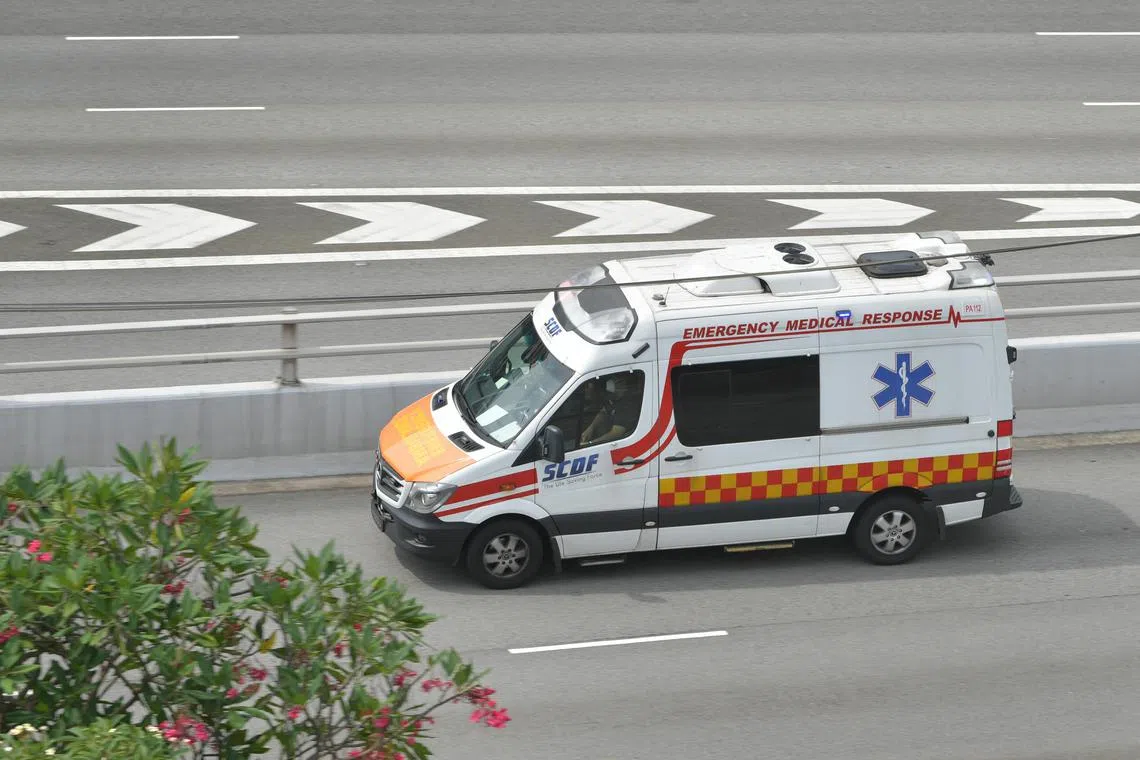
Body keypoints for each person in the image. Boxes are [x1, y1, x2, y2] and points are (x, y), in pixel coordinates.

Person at [580, 373, 641, 447]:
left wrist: (591, 444)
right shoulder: (612, 399)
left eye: (619, 382)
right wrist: (590, 428)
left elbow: (616, 432)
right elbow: (603, 412)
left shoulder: (627, 404)